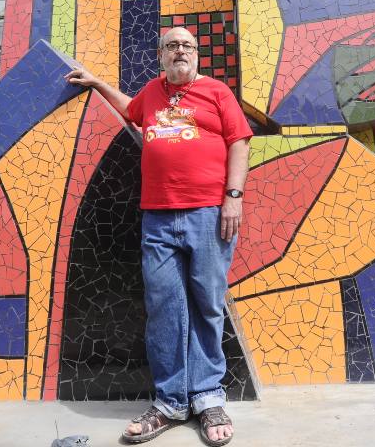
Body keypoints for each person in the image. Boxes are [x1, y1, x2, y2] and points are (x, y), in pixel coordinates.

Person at [65, 27, 251, 446]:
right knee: (164, 308)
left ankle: (206, 396)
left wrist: (233, 198)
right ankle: (170, 401)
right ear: (161, 55)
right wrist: (97, 83)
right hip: (158, 218)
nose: (179, 51)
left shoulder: (217, 92)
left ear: (197, 55)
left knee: (206, 303)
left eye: (187, 46)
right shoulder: (152, 92)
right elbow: (131, 108)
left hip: (208, 213)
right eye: (172, 46)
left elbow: (239, 142)